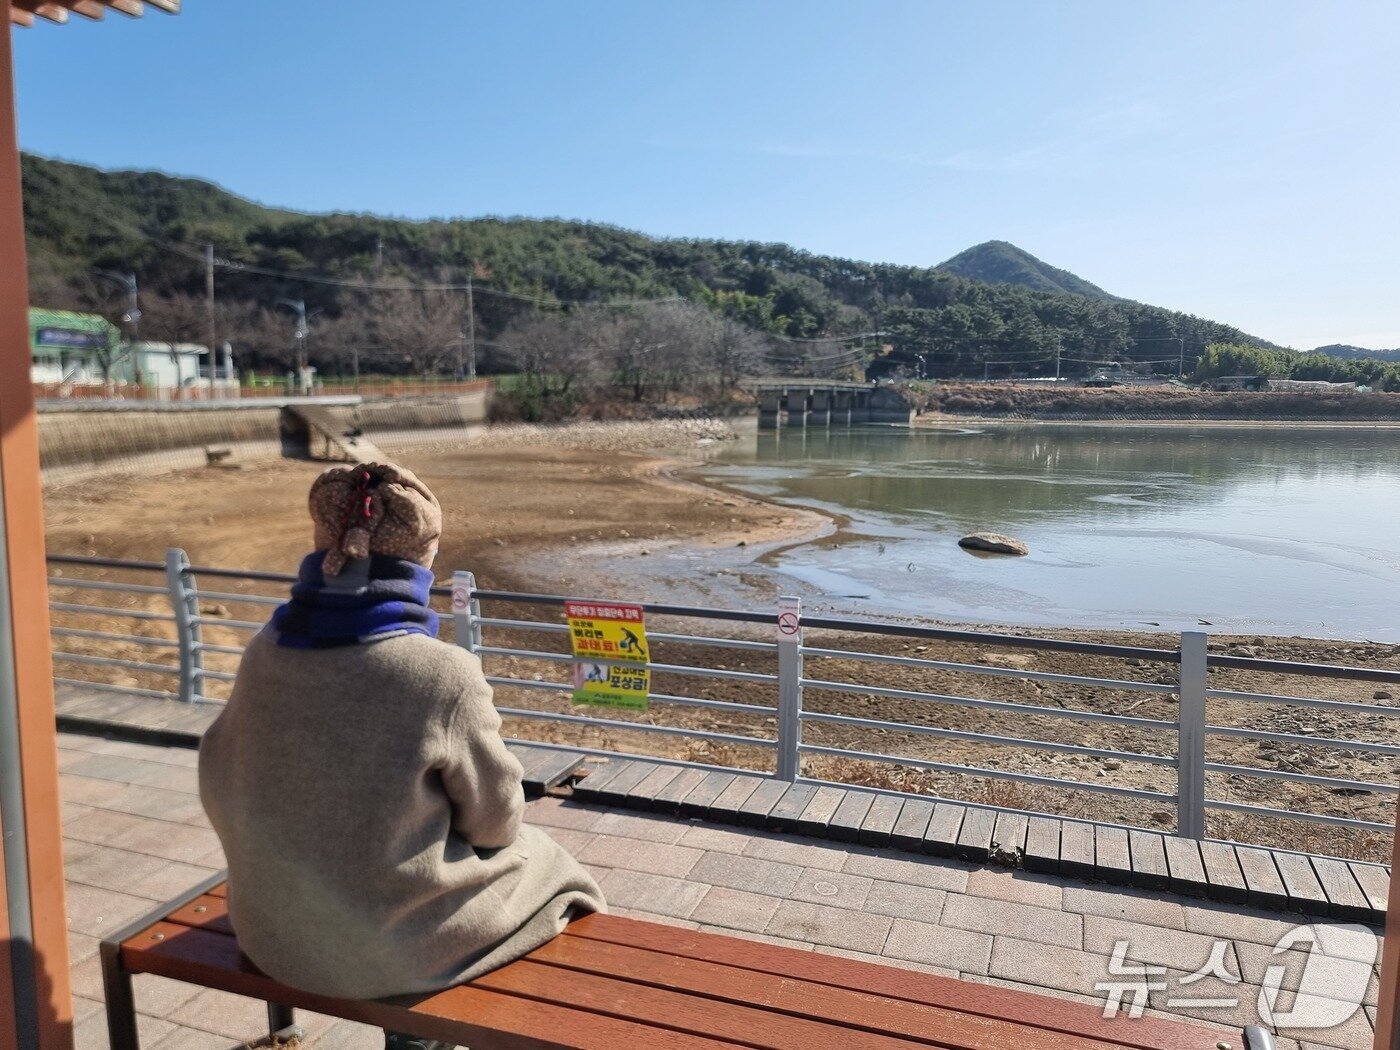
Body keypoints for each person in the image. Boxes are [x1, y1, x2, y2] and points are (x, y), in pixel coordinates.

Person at [199, 462, 605, 1048]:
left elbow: (217, 771)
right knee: (555, 869)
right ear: (422, 560)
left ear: (322, 549)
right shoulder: (440, 674)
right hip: (378, 955)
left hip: (273, 937)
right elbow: (496, 822)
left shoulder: (266, 648)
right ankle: (423, 1035)